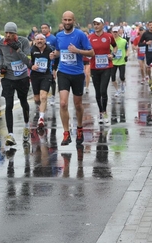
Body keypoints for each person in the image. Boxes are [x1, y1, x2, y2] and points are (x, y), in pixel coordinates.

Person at [50, 11, 94, 146]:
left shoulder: (80, 35)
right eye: (65, 20)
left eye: (70, 20)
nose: (67, 22)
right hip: (63, 72)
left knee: (78, 104)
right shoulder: (59, 35)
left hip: (77, 74)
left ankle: (79, 128)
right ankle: (66, 133)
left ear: (74, 20)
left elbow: (92, 53)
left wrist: (78, 51)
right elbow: (59, 51)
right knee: (63, 103)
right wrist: (54, 55)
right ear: (62, 20)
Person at [0, 22, 31, 146]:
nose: (7, 35)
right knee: (8, 104)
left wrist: (18, 49)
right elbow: (0, 55)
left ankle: (26, 126)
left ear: (15, 33)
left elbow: (27, 61)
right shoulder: (0, 43)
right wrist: (1, 66)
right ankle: (10, 134)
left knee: (23, 102)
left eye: (10, 33)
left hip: (22, 77)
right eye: (6, 33)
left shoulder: (24, 42)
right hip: (7, 77)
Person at [88, 17, 117, 125]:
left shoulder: (109, 37)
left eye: (98, 24)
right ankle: (100, 111)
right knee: (97, 92)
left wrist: (112, 55)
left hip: (106, 67)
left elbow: (115, 46)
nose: (96, 26)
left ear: (103, 25)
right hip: (94, 68)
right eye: (94, 24)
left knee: (103, 90)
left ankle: (104, 112)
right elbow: (86, 49)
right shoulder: (90, 37)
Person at [29, 34, 53, 128]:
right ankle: (41, 108)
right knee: (37, 99)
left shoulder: (50, 49)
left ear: (45, 41)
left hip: (46, 75)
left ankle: (41, 119)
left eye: (41, 39)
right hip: (35, 75)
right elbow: (27, 60)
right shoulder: (32, 49)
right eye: (37, 39)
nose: (39, 41)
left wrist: (54, 68)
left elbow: (57, 56)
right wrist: (31, 66)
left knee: (43, 96)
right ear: (35, 41)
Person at [40, 23, 58, 106]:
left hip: (51, 63)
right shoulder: (39, 38)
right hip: (41, 63)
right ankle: (43, 97)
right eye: (42, 28)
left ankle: (53, 96)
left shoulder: (53, 39)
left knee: (51, 80)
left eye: (45, 28)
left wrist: (55, 68)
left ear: (49, 29)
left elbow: (57, 52)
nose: (43, 29)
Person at [111, 27, 129, 96]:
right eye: (114, 32)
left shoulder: (123, 41)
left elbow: (127, 49)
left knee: (122, 77)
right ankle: (117, 90)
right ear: (111, 33)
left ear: (118, 32)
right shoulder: (110, 41)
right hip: (113, 62)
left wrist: (126, 56)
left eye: (116, 32)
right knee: (113, 78)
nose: (115, 33)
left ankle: (123, 84)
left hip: (121, 61)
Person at [138, 21, 152, 89]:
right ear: (148, 26)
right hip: (148, 53)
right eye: (150, 25)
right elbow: (140, 44)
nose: (151, 26)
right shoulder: (145, 34)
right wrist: (146, 43)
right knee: (149, 69)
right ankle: (150, 78)